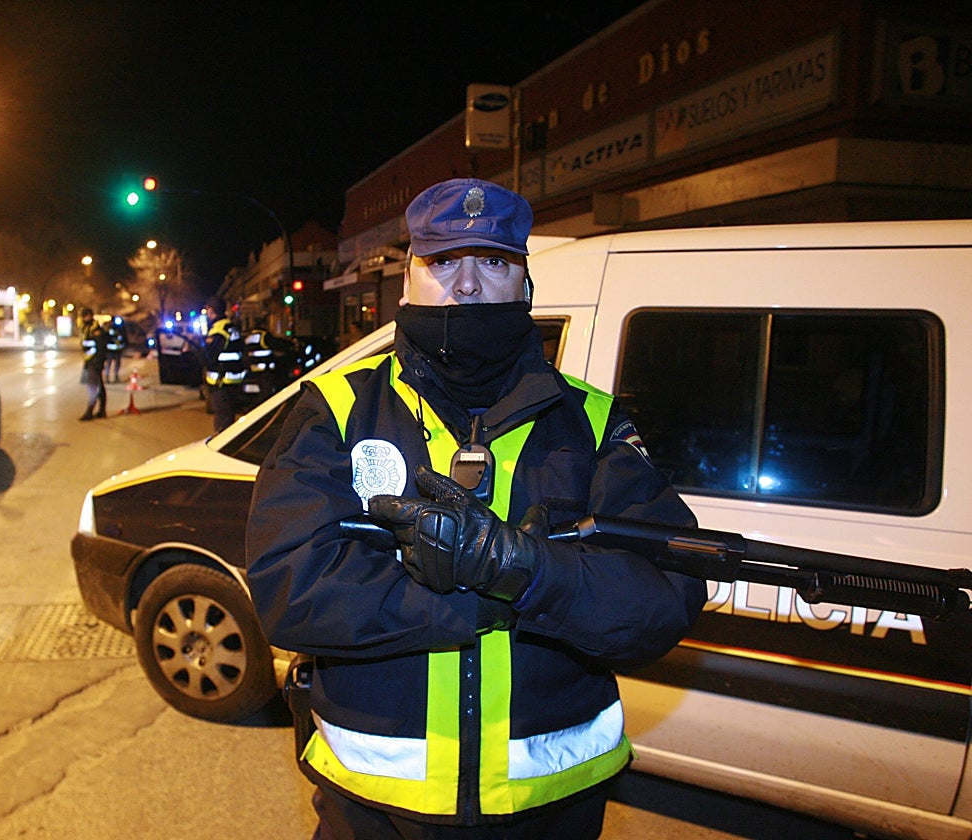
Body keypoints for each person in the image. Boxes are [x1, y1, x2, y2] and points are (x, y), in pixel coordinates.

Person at [246, 178, 706, 839]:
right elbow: (290, 585)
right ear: (406, 284)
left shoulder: (593, 424)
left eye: (493, 261)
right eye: (443, 261)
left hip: (548, 815)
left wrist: (525, 570)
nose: (467, 285)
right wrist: (476, 602)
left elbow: (664, 596)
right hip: (373, 813)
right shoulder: (336, 410)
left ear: (525, 287)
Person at [201, 296, 245, 432]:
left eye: (208, 309)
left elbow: (209, 356)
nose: (207, 312)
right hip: (234, 380)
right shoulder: (231, 326)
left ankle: (221, 448)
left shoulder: (218, 330)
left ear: (212, 310)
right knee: (229, 417)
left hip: (221, 381)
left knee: (223, 420)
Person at [78, 306, 108, 420]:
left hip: (95, 361)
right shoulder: (87, 328)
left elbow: (100, 347)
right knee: (99, 386)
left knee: (92, 387)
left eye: (83, 316)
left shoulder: (95, 329)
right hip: (90, 360)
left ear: (88, 316)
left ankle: (89, 412)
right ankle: (102, 411)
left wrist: (97, 361)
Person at [103, 315, 127, 383]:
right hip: (110, 349)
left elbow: (124, 337)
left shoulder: (120, 328)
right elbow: (106, 338)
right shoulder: (108, 328)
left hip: (118, 349)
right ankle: (107, 377)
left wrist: (124, 344)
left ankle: (116, 377)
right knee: (109, 363)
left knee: (117, 363)